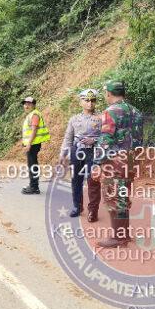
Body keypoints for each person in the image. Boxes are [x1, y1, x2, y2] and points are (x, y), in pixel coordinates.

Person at [92, 80, 143, 248]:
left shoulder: (110, 112)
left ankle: (118, 237)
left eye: (105, 93)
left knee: (113, 196)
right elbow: (139, 139)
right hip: (131, 159)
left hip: (114, 161)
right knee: (123, 195)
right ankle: (124, 234)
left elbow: (105, 139)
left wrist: (97, 163)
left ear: (109, 94)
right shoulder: (136, 111)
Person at [58, 89, 102, 221]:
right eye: (87, 100)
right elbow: (68, 138)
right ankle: (77, 206)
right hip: (76, 151)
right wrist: (63, 153)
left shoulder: (101, 118)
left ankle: (93, 211)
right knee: (76, 179)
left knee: (93, 181)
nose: (90, 103)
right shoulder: (74, 119)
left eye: (93, 100)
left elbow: (107, 137)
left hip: (93, 152)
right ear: (80, 102)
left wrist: (94, 140)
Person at [20, 96, 50, 194]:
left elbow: (34, 130)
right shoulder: (31, 115)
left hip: (33, 144)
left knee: (32, 164)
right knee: (32, 164)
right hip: (32, 144)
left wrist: (28, 144)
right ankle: (33, 185)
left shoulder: (35, 115)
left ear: (33, 105)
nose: (26, 106)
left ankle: (34, 187)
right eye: (25, 104)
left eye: (29, 104)